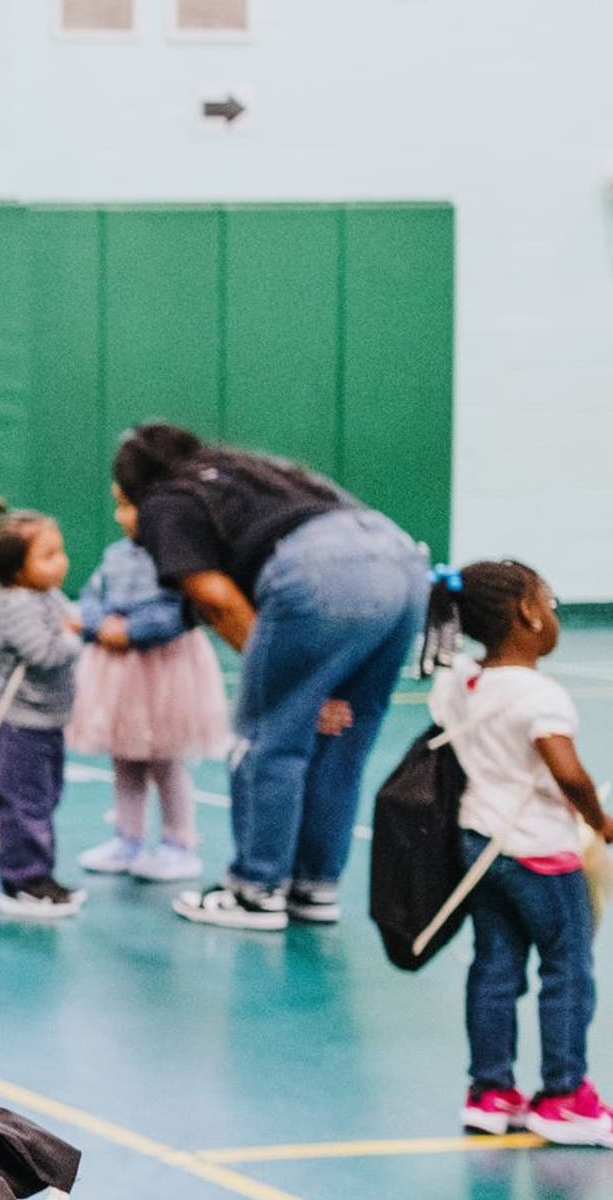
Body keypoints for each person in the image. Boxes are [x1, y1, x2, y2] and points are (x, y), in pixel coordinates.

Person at [110, 424, 430, 931]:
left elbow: (216, 598)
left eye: (119, 500)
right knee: (343, 741)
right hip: (404, 567)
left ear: (136, 487)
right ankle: (315, 888)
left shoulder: (166, 500)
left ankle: (255, 890)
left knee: (268, 740)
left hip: (322, 574)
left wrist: (281, 674)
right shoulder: (253, 472)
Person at [427, 561, 612, 1146]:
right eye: (551, 604)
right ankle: (562, 1095)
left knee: (495, 966)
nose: (554, 616)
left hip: (479, 844)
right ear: (529, 615)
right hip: (539, 851)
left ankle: (490, 1092)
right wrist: (599, 820)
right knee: (568, 969)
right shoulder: (539, 695)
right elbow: (568, 773)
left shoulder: (460, 681)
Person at [68, 486, 230, 884]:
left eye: (130, 506)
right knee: (125, 758)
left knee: (165, 758)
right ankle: (127, 838)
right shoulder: (115, 556)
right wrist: (100, 625)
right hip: (120, 673)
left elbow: (181, 612)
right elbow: (90, 598)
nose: (121, 516)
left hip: (166, 672)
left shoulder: (179, 558)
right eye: (119, 507)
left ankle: (178, 843)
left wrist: (134, 630)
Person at [0, 498, 87, 919]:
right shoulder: (17, 603)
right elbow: (45, 652)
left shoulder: (46, 595)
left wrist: (69, 628)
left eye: (60, 552)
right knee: (26, 804)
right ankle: (23, 881)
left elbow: (69, 622)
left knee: (44, 798)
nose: (61, 563)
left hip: (46, 724)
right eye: (48, 556)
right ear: (16, 568)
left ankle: (40, 875)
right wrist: (73, 637)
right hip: (20, 726)